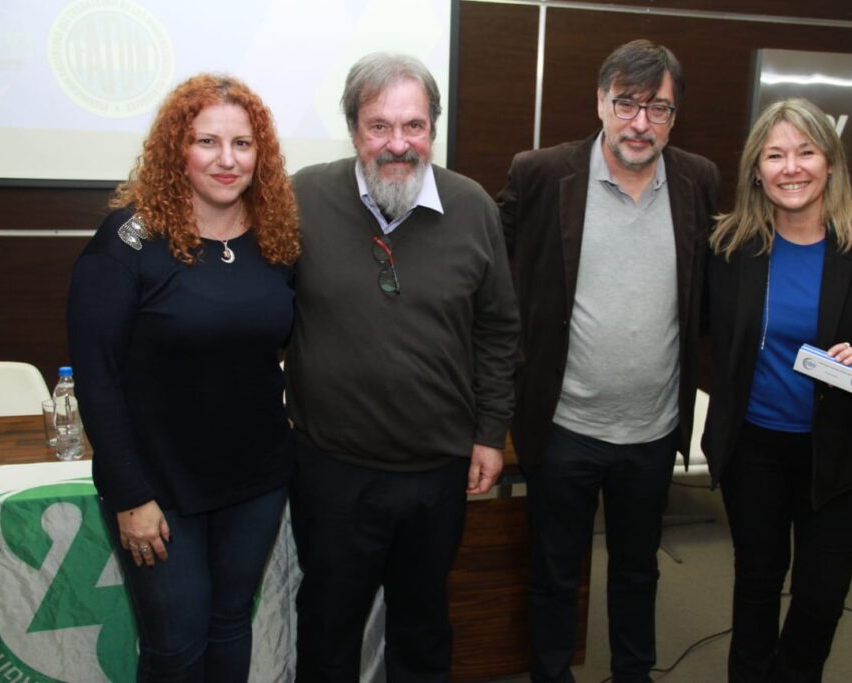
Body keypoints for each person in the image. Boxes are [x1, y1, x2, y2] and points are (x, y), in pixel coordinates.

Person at [284, 52, 519, 681]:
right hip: (332, 471)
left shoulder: (473, 207)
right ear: (353, 130)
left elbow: (499, 329)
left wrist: (490, 433)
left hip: (437, 472)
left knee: (422, 627)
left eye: (413, 125)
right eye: (379, 126)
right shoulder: (303, 197)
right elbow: (259, 311)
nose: (397, 143)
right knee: (328, 627)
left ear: (433, 129)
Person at [497, 39, 720, 682]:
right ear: (600, 102)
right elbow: (484, 265)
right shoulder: (541, 174)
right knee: (553, 571)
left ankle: (632, 673)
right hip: (563, 426)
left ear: (674, 117)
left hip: (652, 430)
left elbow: (712, 289)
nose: (640, 123)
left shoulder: (698, 181)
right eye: (626, 103)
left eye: (658, 109)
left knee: (637, 570)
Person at [66, 75, 299, 681]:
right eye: (207, 142)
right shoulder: (128, 242)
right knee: (176, 647)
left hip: (256, 479)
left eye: (242, 144)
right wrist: (129, 494)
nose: (227, 160)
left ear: (260, 154)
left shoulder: (277, 237)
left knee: (231, 625)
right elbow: (97, 378)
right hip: (159, 486)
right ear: (177, 149)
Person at [703, 97, 852, 682]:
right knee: (757, 581)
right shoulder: (729, 247)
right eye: (774, 155)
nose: (791, 168)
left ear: (831, 163)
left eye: (806, 152)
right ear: (756, 170)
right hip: (753, 447)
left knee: (821, 593)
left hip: (842, 448)